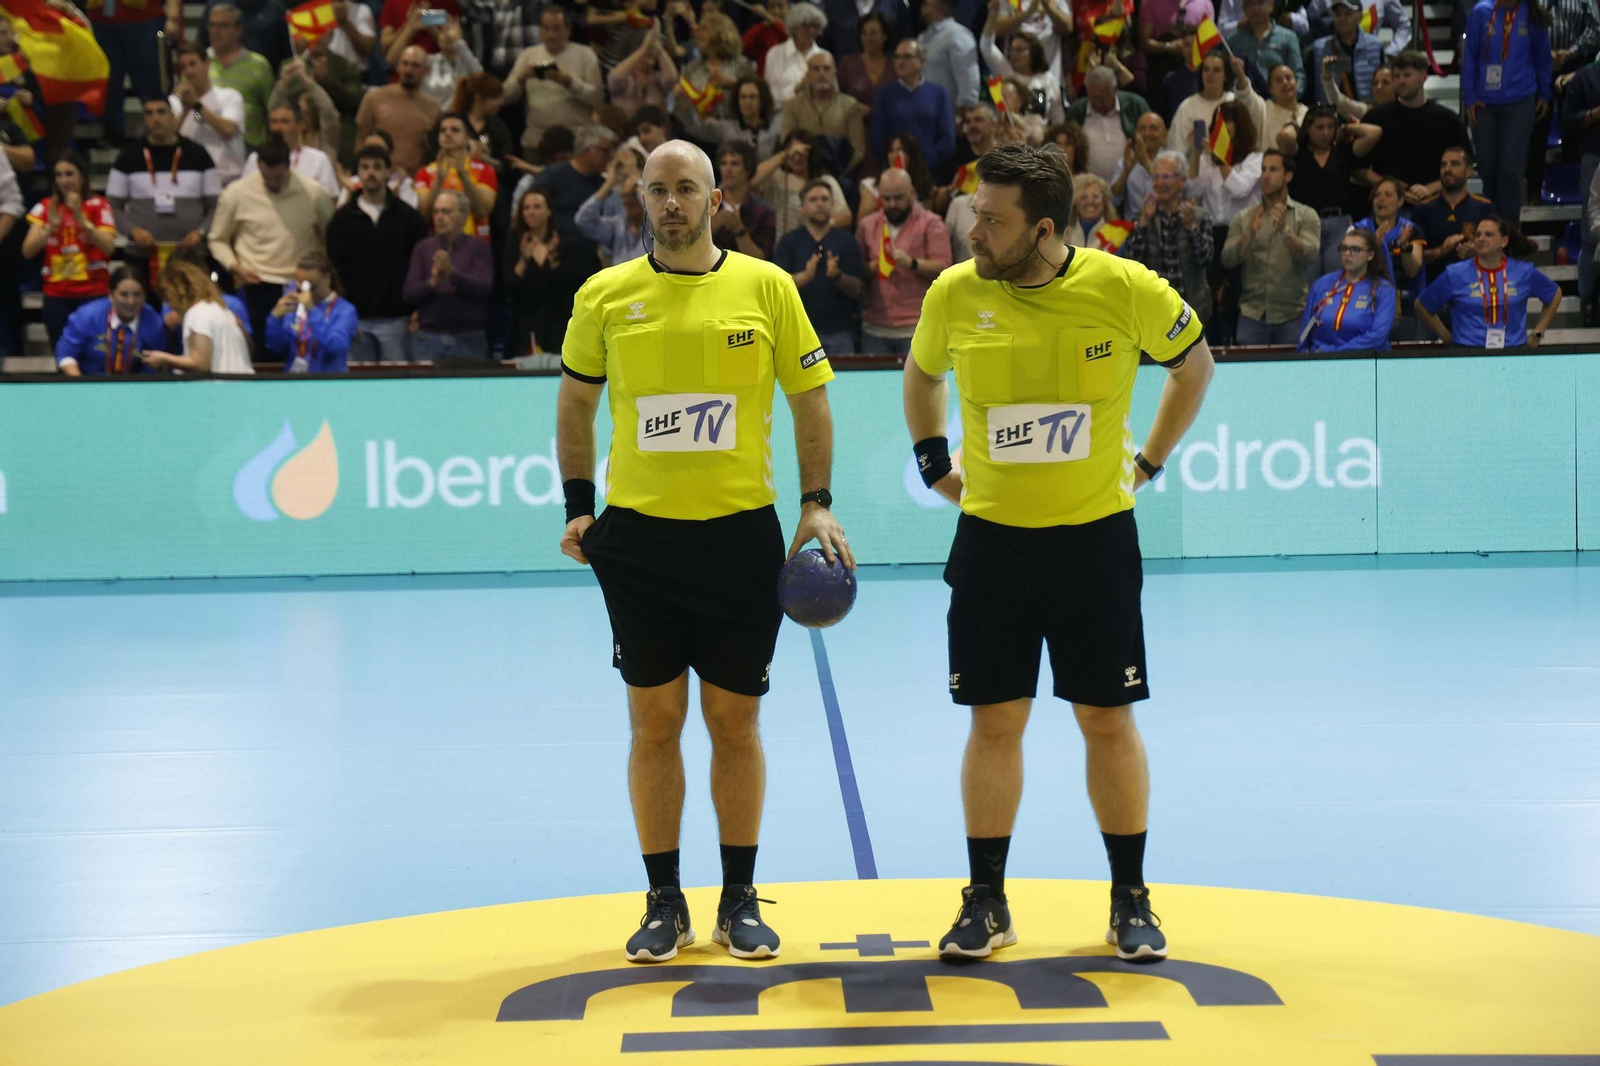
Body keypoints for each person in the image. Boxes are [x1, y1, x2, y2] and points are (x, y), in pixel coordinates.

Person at [901, 140, 1215, 964]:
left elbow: (1194, 366)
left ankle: (1130, 899)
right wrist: (933, 462)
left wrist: (1148, 462)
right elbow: (922, 374)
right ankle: (986, 901)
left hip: (1094, 544)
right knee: (995, 721)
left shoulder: (1123, 287)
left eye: (992, 221)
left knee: (1107, 720)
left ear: (1043, 230)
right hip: (992, 545)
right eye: (975, 214)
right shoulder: (954, 292)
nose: (973, 232)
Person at [555, 138, 852, 965]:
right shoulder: (605, 295)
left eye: (687, 188)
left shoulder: (767, 287)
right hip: (639, 543)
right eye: (658, 190)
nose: (672, 202)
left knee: (734, 721)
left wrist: (816, 504)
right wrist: (579, 508)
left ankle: (738, 899)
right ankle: (664, 903)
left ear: (717, 199)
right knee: (654, 724)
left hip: (739, 539)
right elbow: (575, 405)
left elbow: (811, 400)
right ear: (641, 201)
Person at [209, 136, 335, 344]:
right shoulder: (236, 193)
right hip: (255, 283)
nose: (273, 183)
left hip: (302, 284)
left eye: (278, 177)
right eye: (267, 177)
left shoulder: (314, 194)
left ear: (288, 165)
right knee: (261, 348)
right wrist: (234, 266)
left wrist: (320, 274)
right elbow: (217, 239)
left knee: (304, 347)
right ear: (259, 165)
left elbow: (330, 237)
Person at [106, 97, 221, 293]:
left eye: (161, 112)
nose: (155, 118)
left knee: (191, 303)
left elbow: (216, 205)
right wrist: (133, 231)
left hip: (190, 253)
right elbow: (112, 205)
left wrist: (201, 232)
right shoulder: (128, 156)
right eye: (149, 113)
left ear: (172, 116)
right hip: (142, 255)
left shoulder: (198, 154)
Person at [328, 144, 428, 363]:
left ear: (388, 173)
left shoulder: (408, 218)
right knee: (358, 380)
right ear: (358, 173)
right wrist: (343, 312)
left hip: (397, 318)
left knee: (397, 381)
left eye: (377, 167)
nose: (370, 173)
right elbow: (334, 270)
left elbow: (420, 265)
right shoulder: (342, 220)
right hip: (355, 318)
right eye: (365, 167)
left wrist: (416, 307)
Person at [1462, 0, 1553, 223]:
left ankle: (1509, 232)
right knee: (1487, 170)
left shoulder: (1531, 14)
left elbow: (1542, 57)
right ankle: (1492, 227)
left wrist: (1544, 93)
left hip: (1519, 102)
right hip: (1483, 103)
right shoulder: (1481, 12)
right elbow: (1470, 56)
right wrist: (1470, 97)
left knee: (1511, 172)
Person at [1222, 148, 1320, 344]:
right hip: (1252, 314)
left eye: (1273, 170)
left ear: (1288, 176)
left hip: (1291, 314)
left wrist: (1285, 231)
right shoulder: (1244, 217)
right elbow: (1228, 260)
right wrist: (1249, 233)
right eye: (1263, 169)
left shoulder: (1306, 215)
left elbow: (1309, 255)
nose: (1265, 176)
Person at [1416, 215, 1561, 347]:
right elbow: (1422, 305)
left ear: (1504, 241)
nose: (1481, 238)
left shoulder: (1523, 271)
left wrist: (1538, 334)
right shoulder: (1455, 273)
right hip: (1468, 353)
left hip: (1513, 352)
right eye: (1478, 235)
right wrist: (1446, 337)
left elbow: (1555, 294)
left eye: (1488, 234)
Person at [23, 152, 118, 348]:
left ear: (82, 177)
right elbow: (27, 251)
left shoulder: (99, 205)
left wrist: (82, 221)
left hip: (93, 292)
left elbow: (108, 247)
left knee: (94, 353)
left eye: (69, 174)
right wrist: (50, 227)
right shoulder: (46, 207)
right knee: (62, 352)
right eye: (58, 175)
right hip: (56, 294)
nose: (63, 181)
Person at [857, 166, 951, 355]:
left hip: (916, 326)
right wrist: (873, 267)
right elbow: (856, 271)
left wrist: (913, 263)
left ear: (912, 194)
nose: (892, 204)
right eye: (886, 199)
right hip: (875, 327)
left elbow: (944, 268)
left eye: (898, 198)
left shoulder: (931, 223)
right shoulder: (867, 226)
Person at [1358, 52, 1469, 206]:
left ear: (1423, 76)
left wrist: (1430, 189)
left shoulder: (1448, 120)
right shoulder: (1376, 118)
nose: (1401, 81)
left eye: (1407, 75)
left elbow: (1466, 166)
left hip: (1435, 202)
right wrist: (1391, 187)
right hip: (1390, 205)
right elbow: (1358, 169)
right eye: (1396, 76)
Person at [1286, 105, 1382, 276]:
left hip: (1339, 222)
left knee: (1336, 276)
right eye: (1319, 127)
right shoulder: (1298, 154)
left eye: (1330, 127)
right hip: (1307, 223)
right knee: (1308, 278)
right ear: (1308, 128)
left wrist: (1346, 128)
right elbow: (1283, 137)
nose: (1326, 133)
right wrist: (1295, 128)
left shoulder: (1342, 153)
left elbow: (1374, 133)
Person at [1121, 150, 1215, 324]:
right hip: (1154, 310)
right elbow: (1131, 260)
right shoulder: (1142, 217)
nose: (1159, 183)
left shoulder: (1199, 217)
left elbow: (1205, 259)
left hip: (1192, 310)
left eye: (1165, 177)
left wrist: (1191, 228)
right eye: (1155, 177)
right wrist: (1143, 222)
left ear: (1182, 181)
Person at [506, 187, 601, 358]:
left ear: (549, 211)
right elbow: (509, 287)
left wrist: (553, 261)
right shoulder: (514, 244)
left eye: (537, 207)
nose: (531, 212)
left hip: (559, 322)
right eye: (526, 208)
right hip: (525, 326)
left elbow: (575, 284)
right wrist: (524, 260)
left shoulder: (565, 244)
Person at [775, 178, 866, 353]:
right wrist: (804, 277)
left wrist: (838, 276)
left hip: (839, 333)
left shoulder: (847, 241)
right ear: (802, 208)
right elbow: (776, 287)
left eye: (824, 199)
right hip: (798, 331)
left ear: (832, 205)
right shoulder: (789, 242)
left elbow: (857, 289)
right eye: (813, 200)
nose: (819, 204)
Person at [403, 189, 495, 360]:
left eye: (446, 212)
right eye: (436, 212)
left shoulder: (478, 247)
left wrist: (452, 274)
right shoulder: (423, 248)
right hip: (428, 337)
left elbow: (484, 288)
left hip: (469, 337)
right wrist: (432, 283)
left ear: (464, 215)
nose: (439, 217)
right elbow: (409, 293)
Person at [504, 7, 606, 155]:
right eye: (546, 29)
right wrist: (520, 78)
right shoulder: (528, 55)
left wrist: (569, 83)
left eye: (557, 29)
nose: (551, 35)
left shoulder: (585, 54)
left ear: (568, 30)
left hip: (576, 143)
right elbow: (505, 96)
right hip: (537, 141)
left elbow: (598, 98)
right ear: (540, 31)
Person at [87, 0, 181, 146]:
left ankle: (160, 131)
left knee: (150, 84)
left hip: (143, 19)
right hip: (99, 19)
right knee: (107, 84)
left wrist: (173, 16)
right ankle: (112, 134)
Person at [144, 259, 255, 374]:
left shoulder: (198, 313)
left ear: (180, 290)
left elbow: (201, 364)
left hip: (220, 384)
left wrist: (164, 359)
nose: (169, 305)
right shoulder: (222, 311)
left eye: (167, 297)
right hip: (239, 383)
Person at [54, 266, 168, 377]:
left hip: (134, 385)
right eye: (124, 294)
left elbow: (153, 368)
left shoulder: (154, 323)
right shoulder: (86, 316)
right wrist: (81, 384)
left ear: (145, 296)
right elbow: (65, 354)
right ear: (111, 295)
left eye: (137, 294)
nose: (131, 301)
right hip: (89, 381)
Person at [1297, 226, 1397, 350]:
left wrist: (1335, 353)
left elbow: (1377, 336)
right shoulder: (1322, 284)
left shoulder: (1384, 290)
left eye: (1355, 249)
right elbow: (1305, 332)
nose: (1348, 254)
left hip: (1365, 359)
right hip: (1321, 358)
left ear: (1370, 255)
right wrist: (1303, 355)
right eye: (1344, 249)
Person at [354, 46, 441, 178]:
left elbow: (433, 151)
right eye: (405, 64)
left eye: (415, 66)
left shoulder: (433, 108)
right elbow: (360, 141)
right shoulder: (374, 98)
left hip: (415, 179)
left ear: (426, 71)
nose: (409, 70)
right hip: (378, 177)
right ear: (398, 67)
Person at [263, 251, 357, 372]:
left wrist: (312, 310)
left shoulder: (345, 310)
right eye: (301, 284)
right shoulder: (295, 308)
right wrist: (275, 317)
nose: (306, 291)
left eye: (312, 286)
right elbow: (276, 346)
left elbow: (336, 347)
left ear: (327, 278)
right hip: (296, 378)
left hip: (329, 379)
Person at [1414, 145, 1495, 286]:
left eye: (1455, 164)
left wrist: (1476, 253)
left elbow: (1498, 254)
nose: (1447, 169)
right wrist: (1440, 251)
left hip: (1473, 288)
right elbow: (1412, 262)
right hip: (1433, 287)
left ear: (1468, 171)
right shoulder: (1423, 209)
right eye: (1443, 165)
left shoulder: (1485, 208)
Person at [871, 41, 957, 171]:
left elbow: (947, 137)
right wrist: (897, 163)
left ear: (921, 61)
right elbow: (878, 138)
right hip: (896, 172)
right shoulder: (885, 94)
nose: (900, 62)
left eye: (907, 57)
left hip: (932, 171)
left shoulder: (939, 93)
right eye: (897, 57)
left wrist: (924, 163)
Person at [171, 43, 247, 187]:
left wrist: (196, 105)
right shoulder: (174, 102)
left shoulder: (230, 96)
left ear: (207, 63)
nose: (188, 71)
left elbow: (228, 130)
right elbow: (167, 138)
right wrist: (185, 110)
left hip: (227, 180)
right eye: (183, 67)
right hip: (188, 180)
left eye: (193, 64)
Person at [979, 3, 1066, 128]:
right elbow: (986, 47)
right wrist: (992, 16)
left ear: (1034, 52)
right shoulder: (1006, 72)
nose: (1013, 54)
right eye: (1012, 50)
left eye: (1019, 50)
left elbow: (1058, 119)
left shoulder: (1048, 80)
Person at [415, 113, 500, 239]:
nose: (447, 134)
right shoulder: (425, 173)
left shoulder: (484, 170)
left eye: (455, 130)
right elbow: (424, 215)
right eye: (443, 130)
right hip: (437, 245)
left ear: (467, 137)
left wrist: (463, 176)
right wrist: (439, 180)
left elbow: (482, 212)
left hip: (475, 244)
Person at [753, 129, 851, 237]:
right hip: (781, 241)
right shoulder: (775, 177)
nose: (796, 157)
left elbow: (846, 217)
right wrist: (784, 155)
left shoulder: (826, 181)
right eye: (793, 152)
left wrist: (820, 227)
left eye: (801, 153)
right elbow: (752, 180)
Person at [1355, 176, 1425, 325]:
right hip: (1366, 295)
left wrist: (1405, 248)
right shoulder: (1359, 230)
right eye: (1377, 195)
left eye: (1388, 195)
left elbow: (1413, 271)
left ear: (1400, 201)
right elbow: (1353, 268)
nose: (1381, 199)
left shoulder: (1411, 230)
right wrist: (1374, 244)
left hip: (1404, 297)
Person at [782, 51, 867, 174]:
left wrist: (839, 173)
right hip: (800, 174)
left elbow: (858, 149)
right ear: (808, 74)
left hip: (840, 176)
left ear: (835, 73)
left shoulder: (849, 105)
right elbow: (786, 143)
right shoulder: (793, 105)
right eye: (816, 69)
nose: (821, 74)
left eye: (826, 69)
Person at [1168, 52, 1266, 157]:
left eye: (1216, 70)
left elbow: (1256, 112)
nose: (1210, 75)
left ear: (1225, 76)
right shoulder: (1187, 107)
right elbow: (1177, 150)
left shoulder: (1233, 102)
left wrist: (1241, 75)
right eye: (1206, 70)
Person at [205, 4, 275, 150]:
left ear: (238, 30)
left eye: (223, 25)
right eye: (212, 25)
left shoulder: (258, 65)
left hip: (251, 146)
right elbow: (191, 109)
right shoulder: (198, 64)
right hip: (208, 146)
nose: (215, 31)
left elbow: (272, 110)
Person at [671, 10, 757, 123]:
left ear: (721, 32)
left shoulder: (741, 64)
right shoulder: (691, 68)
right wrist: (680, 98)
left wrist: (732, 83)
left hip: (735, 127)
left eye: (704, 28)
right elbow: (682, 113)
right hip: (698, 129)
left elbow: (757, 97)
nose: (697, 33)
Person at [1069, 65, 1151, 184]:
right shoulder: (1077, 111)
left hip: (1132, 185)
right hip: (1088, 188)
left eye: (1102, 99)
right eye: (1093, 98)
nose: (1097, 104)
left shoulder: (1135, 105)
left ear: (1115, 89)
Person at [676, 76, 784, 163]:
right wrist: (684, 104)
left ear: (763, 100)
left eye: (752, 97)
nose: (747, 102)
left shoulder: (775, 129)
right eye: (743, 97)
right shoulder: (727, 128)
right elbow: (697, 128)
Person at [383, 14, 479, 109]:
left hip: (455, 116)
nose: (446, 35)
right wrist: (410, 28)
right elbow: (391, 60)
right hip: (427, 114)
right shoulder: (428, 61)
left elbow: (479, 75)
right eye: (442, 31)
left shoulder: (466, 62)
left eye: (451, 32)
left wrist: (457, 43)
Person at [244, 103, 339, 199]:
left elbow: (331, 198)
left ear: (300, 125)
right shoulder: (255, 158)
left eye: (285, 122)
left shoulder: (318, 160)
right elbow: (243, 194)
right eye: (273, 122)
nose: (278, 128)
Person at [1311, 0, 1386, 108]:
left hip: (1367, 110)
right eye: (1337, 14)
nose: (1342, 19)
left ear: (1360, 17)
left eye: (1348, 14)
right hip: (1329, 112)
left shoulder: (1375, 46)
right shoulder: (1320, 48)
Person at [713, 140, 780, 259]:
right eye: (723, 163)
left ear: (748, 169)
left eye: (734, 164)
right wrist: (711, 227)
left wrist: (739, 230)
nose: (728, 169)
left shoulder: (763, 212)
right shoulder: (707, 205)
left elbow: (761, 260)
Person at [1227, 0, 1304, 97]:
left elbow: (1299, 75)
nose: (1256, 8)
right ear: (1244, 8)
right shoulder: (1233, 40)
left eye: (1261, 3)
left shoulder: (1288, 37)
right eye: (1250, 4)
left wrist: (1291, 98)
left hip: (1279, 101)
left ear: (1271, 4)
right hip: (1244, 101)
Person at [575, 167, 649, 266]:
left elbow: (653, 211)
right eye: (624, 196)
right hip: (621, 276)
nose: (627, 201)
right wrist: (609, 183)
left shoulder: (654, 228)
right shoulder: (616, 226)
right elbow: (583, 221)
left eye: (633, 195)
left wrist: (639, 183)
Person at [610, 21, 681, 118]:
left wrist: (658, 47)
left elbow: (672, 78)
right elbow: (615, 77)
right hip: (626, 126)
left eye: (652, 48)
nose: (651, 51)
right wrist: (644, 47)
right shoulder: (624, 77)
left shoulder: (656, 78)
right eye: (649, 48)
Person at [916, 0, 980, 107]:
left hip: (949, 112)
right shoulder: (922, 38)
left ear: (941, 8)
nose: (921, 8)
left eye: (925, 4)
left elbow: (968, 80)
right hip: (922, 110)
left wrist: (965, 111)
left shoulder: (958, 35)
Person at [766, 4, 830, 106]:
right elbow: (771, 96)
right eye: (805, 26)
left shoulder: (825, 56)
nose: (811, 30)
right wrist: (798, 88)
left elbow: (833, 94)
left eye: (815, 26)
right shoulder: (775, 54)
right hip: (784, 113)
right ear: (794, 27)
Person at [1110, 111, 1169, 219]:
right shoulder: (1126, 161)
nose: (1147, 133)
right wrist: (1126, 171)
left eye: (1153, 128)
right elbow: (1113, 200)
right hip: (1133, 225)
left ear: (1165, 134)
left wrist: (1145, 162)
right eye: (1142, 129)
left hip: (1165, 222)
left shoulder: (1173, 160)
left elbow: (1173, 192)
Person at [838, 12, 898, 118]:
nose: (868, 38)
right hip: (855, 123)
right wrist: (852, 106)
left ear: (885, 36)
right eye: (864, 33)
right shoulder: (848, 63)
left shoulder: (895, 65)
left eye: (873, 33)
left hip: (889, 123)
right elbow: (836, 97)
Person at [1320, 55, 1396, 122]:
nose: (1379, 87)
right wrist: (1327, 78)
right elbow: (1338, 101)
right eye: (1375, 83)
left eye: (1385, 82)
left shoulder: (1402, 111)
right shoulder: (1366, 111)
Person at [1069, 171, 1124, 248]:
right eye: (1084, 197)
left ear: (1104, 202)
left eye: (1095, 197)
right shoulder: (1065, 234)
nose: (1090, 201)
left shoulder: (1117, 234)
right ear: (1076, 202)